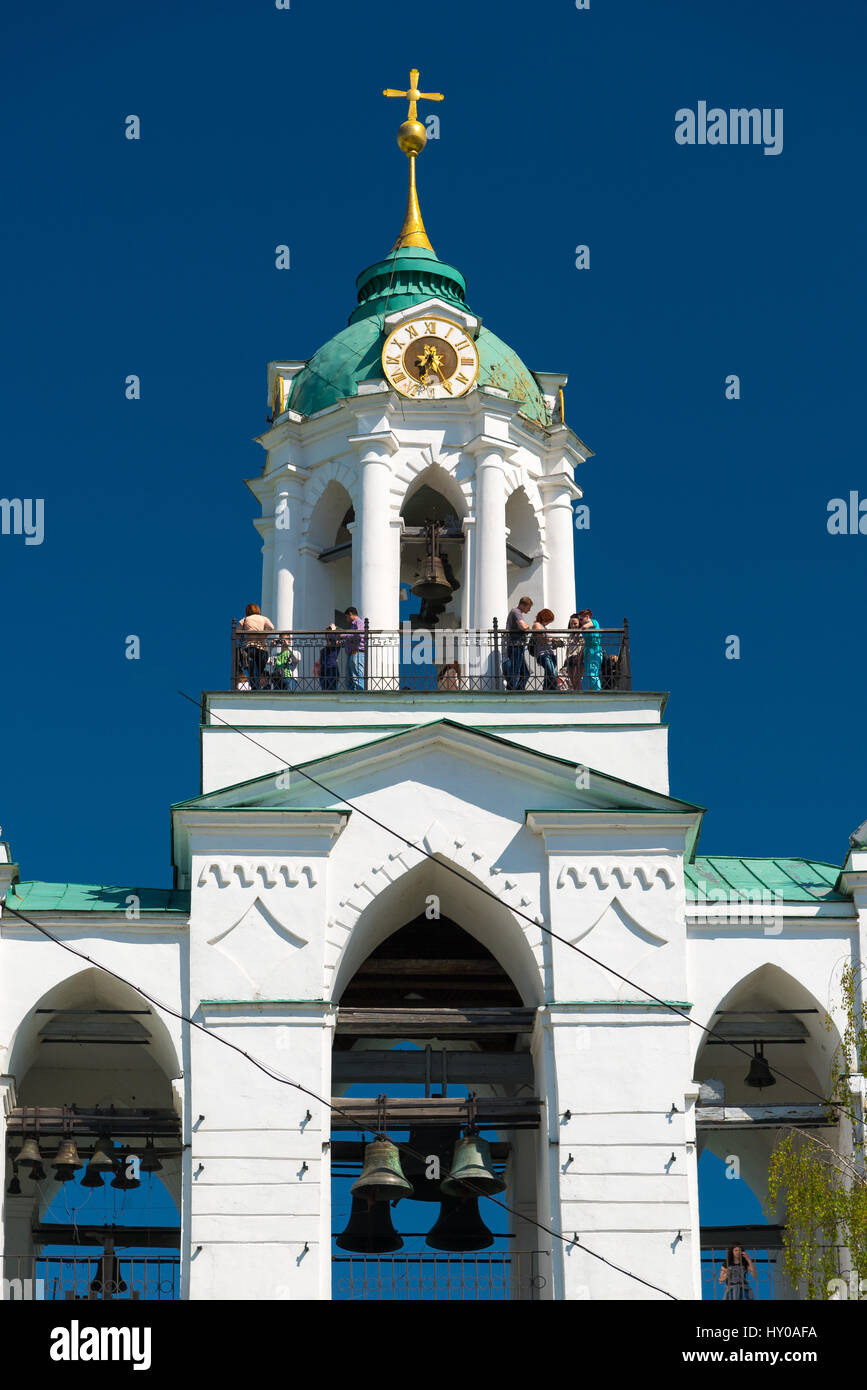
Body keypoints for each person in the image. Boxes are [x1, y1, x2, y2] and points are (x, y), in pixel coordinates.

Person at [237, 603, 274, 690]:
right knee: (259, 671)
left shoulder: (245, 619)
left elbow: (237, 633)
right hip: (263, 649)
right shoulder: (264, 618)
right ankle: (259, 688)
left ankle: (255, 689)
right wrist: (264, 635)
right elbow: (271, 627)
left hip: (250, 648)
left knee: (253, 671)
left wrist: (243, 638)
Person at [504, 596, 533, 690]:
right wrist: (527, 626)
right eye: (528, 608)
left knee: (525, 673)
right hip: (515, 645)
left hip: (517, 645)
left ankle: (519, 690)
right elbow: (523, 626)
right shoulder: (516, 612)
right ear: (524, 605)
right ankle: (511, 691)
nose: (529, 610)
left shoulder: (516, 612)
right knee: (515, 671)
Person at [530, 608, 561, 691]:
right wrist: (552, 639)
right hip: (543, 654)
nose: (548, 623)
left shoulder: (544, 627)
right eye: (548, 620)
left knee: (549, 674)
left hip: (550, 654)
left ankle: (546, 691)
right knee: (552, 673)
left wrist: (556, 641)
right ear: (545, 617)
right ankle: (554, 689)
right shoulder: (536, 625)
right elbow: (540, 638)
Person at [341, 606, 366, 691]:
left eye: (346, 616)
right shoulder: (354, 625)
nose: (346, 619)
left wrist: (344, 635)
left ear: (350, 614)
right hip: (352, 653)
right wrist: (342, 643)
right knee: (349, 676)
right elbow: (352, 639)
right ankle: (351, 693)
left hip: (357, 652)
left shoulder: (358, 622)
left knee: (357, 674)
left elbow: (359, 635)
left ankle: (359, 693)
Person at [578, 608, 602, 691]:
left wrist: (576, 631)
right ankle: (594, 688)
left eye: (581, 619)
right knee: (589, 672)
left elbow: (585, 626)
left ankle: (597, 690)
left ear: (587, 617)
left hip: (595, 650)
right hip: (588, 651)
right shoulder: (585, 626)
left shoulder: (594, 622)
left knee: (593, 672)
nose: (580, 621)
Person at [563, 614, 585, 690]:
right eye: (571, 623)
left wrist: (579, 658)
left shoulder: (581, 634)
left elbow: (583, 646)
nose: (573, 625)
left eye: (575, 623)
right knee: (572, 682)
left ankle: (582, 698)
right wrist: (566, 659)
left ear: (579, 624)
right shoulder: (570, 635)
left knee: (577, 680)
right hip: (570, 659)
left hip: (577, 658)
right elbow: (568, 648)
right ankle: (577, 697)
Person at [319, 626, 340, 691]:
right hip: (323, 671)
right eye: (326, 634)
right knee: (324, 691)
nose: (326, 636)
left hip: (332, 670)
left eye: (327, 634)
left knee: (333, 691)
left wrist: (333, 630)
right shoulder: (324, 649)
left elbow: (333, 640)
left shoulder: (336, 644)